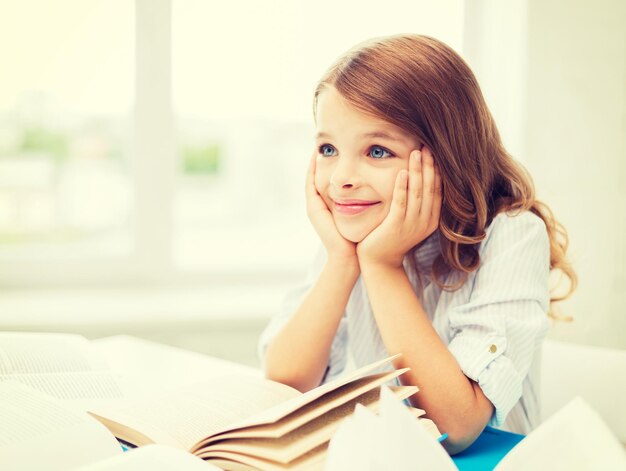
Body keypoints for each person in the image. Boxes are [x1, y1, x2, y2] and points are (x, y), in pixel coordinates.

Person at [258, 34, 576, 454]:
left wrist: (383, 267)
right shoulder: (353, 234)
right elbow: (283, 387)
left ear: (445, 155)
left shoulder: (512, 235)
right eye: (328, 148)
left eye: (376, 150)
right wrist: (341, 259)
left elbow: (455, 427)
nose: (341, 179)